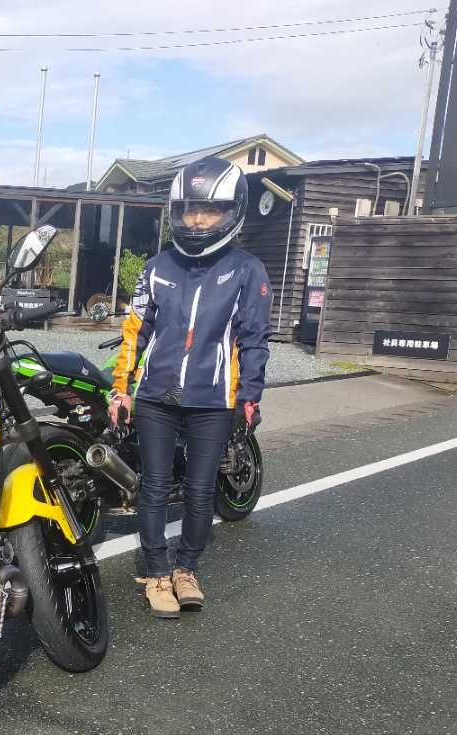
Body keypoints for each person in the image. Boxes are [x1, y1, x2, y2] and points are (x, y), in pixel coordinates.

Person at [107, 156, 271, 619]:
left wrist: (250, 398)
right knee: (155, 487)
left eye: (211, 210)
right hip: (155, 396)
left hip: (214, 400)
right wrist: (121, 389)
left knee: (200, 491)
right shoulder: (157, 267)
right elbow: (135, 331)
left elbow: (254, 340)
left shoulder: (248, 270)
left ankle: (186, 569)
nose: (198, 220)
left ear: (232, 212)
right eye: (190, 209)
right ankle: (157, 572)